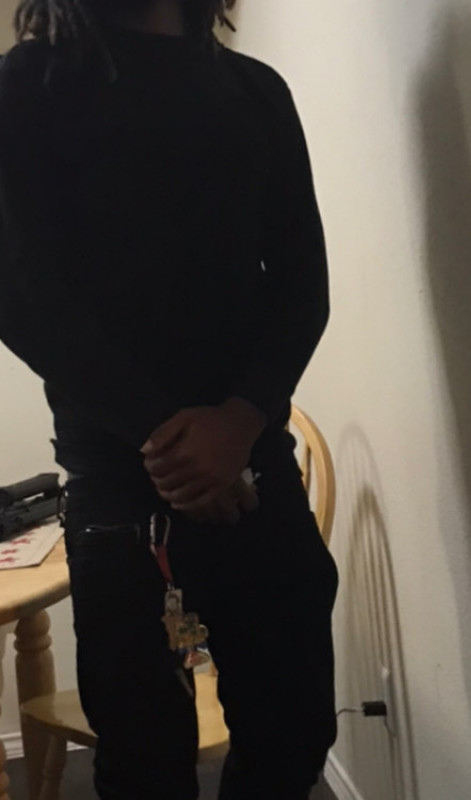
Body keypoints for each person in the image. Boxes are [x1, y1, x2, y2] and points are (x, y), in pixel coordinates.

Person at [0, 1, 338, 798]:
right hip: (122, 489)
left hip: (256, 467)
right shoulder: (28, 85)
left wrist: (240, 422)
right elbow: (21, 294)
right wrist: (162, 436)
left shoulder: (255, 90)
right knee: (143, 765)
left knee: (294, 736)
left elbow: (302, 286)